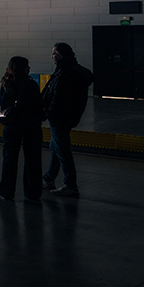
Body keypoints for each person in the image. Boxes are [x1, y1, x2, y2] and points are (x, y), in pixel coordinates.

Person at [42, 42, 95, 198]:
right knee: (55, 147)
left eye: (54, 54)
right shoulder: (73, 71)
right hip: (68, 117)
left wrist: (47, 112)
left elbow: (57, 97)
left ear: (60, 56)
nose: (52, 56)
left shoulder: (65, 74)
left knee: (62, 150)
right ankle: (49, 178)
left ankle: (70, 184)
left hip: (59, 117)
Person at [0, 56, 46, 202]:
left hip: (12, 125)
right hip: (31, 126)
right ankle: (32, 192)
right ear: (24, 68)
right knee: (33, 160)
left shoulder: (6, 84)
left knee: (9, 159)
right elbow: (37, 105)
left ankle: (6, 191)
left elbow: (2, 104)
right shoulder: (30, 84)